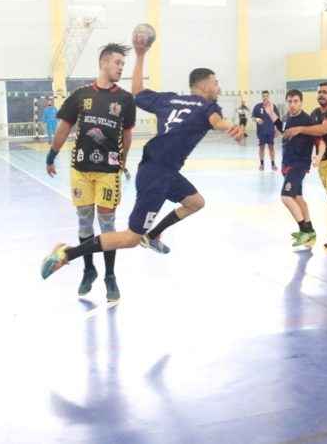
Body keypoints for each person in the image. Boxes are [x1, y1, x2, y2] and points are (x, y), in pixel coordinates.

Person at [40, 30, 244, 280]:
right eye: (215, 82)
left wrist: (140, 55)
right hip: (157, 175)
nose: (218, 87)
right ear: (203, 85)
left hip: (164, 171)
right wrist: (230, 128)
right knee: (129, 238)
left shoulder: (169, 100)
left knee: (195, 202)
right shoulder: (208, 106)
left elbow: (137, 92)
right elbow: (217, 121)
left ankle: (154, 234)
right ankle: (67, 254)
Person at [45, 43, 136, 301]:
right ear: (103, 62)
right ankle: (88, 270)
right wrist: (52, 155)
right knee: (84, 221)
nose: (120, 68)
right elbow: (63, 128)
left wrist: (123, 160)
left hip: (108, 170)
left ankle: (110, 275)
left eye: (122, 64)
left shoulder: (126, 99)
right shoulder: (80, 95)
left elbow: (127, 136)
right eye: (117, 62)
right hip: (80, 169)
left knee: (107, 224)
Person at [284, 82, 327, 248]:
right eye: (319, 92)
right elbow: (315, 137)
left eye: (325, 92)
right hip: (323, 162)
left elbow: (323, 129)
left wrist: (300, 129)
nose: (321, 95)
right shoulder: (315, 113)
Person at [267, 90, 319, 248]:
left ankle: (303, 230)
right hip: (288, 164)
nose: (292, 104)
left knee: (286, 196)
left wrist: (318, 155)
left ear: (301, 102)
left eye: (295, 101)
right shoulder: (289, 118)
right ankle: (310, 234)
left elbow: (318, 136)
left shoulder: (307, 120)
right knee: (298, 198)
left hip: (299, 165)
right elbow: (282, 128)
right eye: (289, 101)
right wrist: (270, 113)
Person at [252, 90, 279, 171]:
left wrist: (277, 130)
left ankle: (273, 164)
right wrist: (257, 119)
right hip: (261, 132)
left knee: (271, 148)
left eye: (266, 96)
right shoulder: (257, 106)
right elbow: (253, 117)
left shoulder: (273, 107)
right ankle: (262, 164)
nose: (265, 97)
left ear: (268, 97)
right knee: (261, 148)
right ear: (262, 97)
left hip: (270, 131)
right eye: (263, 96)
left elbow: (277, 119)